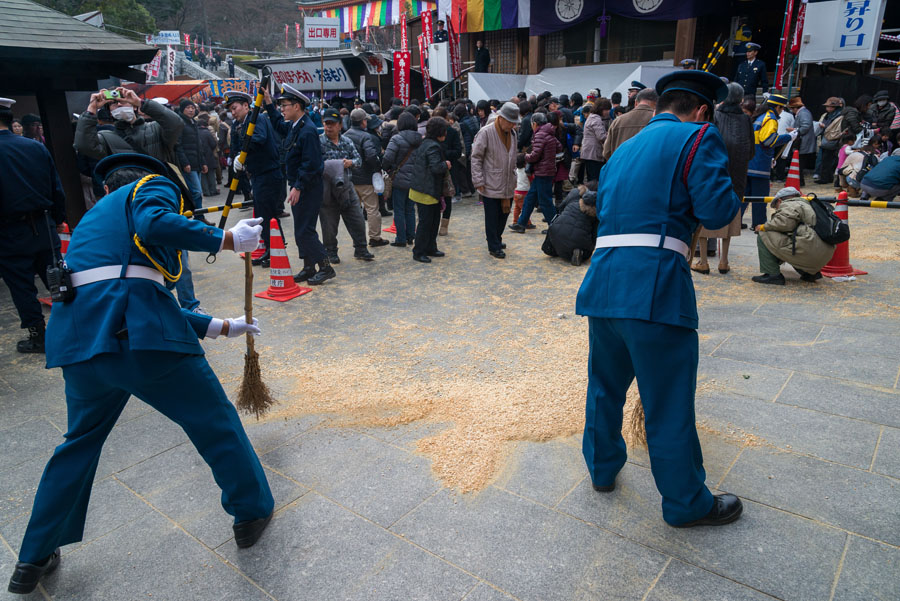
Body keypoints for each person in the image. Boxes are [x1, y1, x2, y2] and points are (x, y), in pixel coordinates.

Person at [5, 154, 274, 595]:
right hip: (138, 339)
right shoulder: (150, 186)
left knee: (77, 445)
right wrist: (226, 238)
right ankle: (251, 511)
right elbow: (152, 231)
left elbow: (127, 284)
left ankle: (33, 555)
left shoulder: (96, 219)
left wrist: (223, 326)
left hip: (80, 344)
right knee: (214, 422)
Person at [575, 70, 743, 528]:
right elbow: (715, 212)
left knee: (604, 388)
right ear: (702, 110)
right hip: (655, 287)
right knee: (668, 399)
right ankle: (687, 503)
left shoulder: (623, 150)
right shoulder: (698, 137)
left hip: (605, 281)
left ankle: (603, 472)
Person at [0, 98, 65, 354]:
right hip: (43, 225)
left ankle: (38, 337)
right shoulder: (35, 148)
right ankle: (80, 325)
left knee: (21, 286)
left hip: (8, 231)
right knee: (58, 280)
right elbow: (55, 187)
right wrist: (58, 219)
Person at [265, 84, 333, 285]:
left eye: (285, 105)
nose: (282, 109)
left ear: (296, 106)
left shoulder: (308, 131)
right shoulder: (296, 126)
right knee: (301, 229)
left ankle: (325, 266)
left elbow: (311, 164)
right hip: (299, 185)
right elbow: (278, 124)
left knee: (305, 230)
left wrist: (298, 187)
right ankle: (309, 266)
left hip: (308, 188)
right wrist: (269, 102)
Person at [691, 82, 753, 275]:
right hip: (738, 175)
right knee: (732, 214)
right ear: (740, 100)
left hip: (713, 173)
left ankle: (702, 261)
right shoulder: (746, 120)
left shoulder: (715, 116)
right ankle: (724, 260)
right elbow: (751, 151)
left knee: (705, 214)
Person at [230, 90, 285, 269]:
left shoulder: (257, 119)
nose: (233, 112)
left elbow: (259, 139)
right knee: (264, 215)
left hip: (268, 174)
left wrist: (242, 155)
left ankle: (276, 249)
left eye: (235, 108)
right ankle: (270, 248)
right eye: (231, 110)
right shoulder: (244, 123)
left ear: (246, 106)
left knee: (268, 215)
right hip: (259, 175)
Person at [317, 107, 373, 263]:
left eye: (332, 124)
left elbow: (359, 161)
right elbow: (314, 164)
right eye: (326, 123)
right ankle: (331, 252)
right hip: (327, 189)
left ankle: (361, 249)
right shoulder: (318, 142)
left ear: (340, 125)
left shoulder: (347, 141)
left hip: (347, 188)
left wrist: (350, 163)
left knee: (357, 220)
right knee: (328, 224)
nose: (329, 127)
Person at [752, 187, 835, 285]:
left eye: (776, 206)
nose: (777, 209)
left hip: (809, 250)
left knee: (764, 234)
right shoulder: (809, 204)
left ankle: (772, 275)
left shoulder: (789, 204)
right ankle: (810, 273)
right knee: (794, 240)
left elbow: (785, 223)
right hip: (823, 254)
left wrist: (762, 227)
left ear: (779, 200)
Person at [470, 101, 519, 259]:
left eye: (514, 122)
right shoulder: (486, 132)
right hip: (490, 181)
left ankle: (496, 238)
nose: (512, 125)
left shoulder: (513, 134)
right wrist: (478, 180)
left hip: (507, 181)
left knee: (503, 214)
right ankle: (493, 245)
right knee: (492, 216)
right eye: (510, 122)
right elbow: (476, 158)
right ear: (501, 118)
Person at [509, 112, 561, 233]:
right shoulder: (549, 132)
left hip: (542, 171)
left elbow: (535, 156)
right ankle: (521, 224)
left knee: (545, 200)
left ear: (535, 124)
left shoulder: (540, 134)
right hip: (546, 170)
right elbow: (558, 147)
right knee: (530, 198)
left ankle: (553, 226)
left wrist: (524, 156)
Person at [747, 93, 792, 229]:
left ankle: (735, 223)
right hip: (760, 163)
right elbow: (768, 140)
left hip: (750, 162)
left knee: (745, 196)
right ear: (777, 107)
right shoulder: (770, 119)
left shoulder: (759, 116)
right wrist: (788, 137)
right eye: (782, 108)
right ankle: (759, 224)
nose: (782, 111)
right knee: (760, 197)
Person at [344, 108, 387, 247]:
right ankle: (375, 238)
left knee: (354, 212)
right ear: (363, 122)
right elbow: (370, 156)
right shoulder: (365, 136)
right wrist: (377, 168)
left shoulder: (344, 136)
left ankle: (358, 240)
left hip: (350, 179)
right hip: (366, 178)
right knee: (372, 209)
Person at [409, 117, 450, 263]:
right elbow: (436, 168)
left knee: (433, 221)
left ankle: (431, 247)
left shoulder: (425, 143)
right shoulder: (433, 146)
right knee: (426, 223)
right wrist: (446, 164)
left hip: (424, 189)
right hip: (426, 190)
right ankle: (419, 251)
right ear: (441, 132)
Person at [383, 111, 422, 247]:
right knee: (410, 209)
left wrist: (388, 168)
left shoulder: (396, 139)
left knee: (399, 209)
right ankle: (411, 236)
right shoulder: (420, 139)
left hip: (399, 178)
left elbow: (387, 158)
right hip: (415, 178)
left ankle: (401, 238)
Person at [545, 183, 599, 266]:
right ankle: (580, 252)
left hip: (555, 232)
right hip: (578, 238)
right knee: (586, 253)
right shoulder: (594, 214)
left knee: (562, 245)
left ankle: (557, 248)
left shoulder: (573, 202)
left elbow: (560, 208)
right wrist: (591, 247)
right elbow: (595, 235)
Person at [602, 88, 658, 160]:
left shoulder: (618, 121)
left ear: (635, 103)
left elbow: (606, 152)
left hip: (620, 168)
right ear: (657, 104)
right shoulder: (658, 121)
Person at [175, 99, 209, 217]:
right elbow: (177, 145)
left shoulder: (193, 122)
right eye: (188, 107)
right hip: (188, 164)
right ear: (182, 109)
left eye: (193, 108)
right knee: (197, 192)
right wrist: (185, 163)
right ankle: (199, 217)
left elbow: (198, 145)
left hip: (197, 162)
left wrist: (203, 162)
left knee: (197, 192)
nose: (191, 110)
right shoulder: (180, 123)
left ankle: (199, 216)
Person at [432, 107, 462, 236]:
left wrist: (444, 154)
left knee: (448, 196)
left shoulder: (452, 132)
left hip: (449, 169)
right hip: (434, 170)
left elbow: (457, 151)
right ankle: (434, 224)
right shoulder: (431, 132)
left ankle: (444, 225)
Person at [814, 97, 844, 184]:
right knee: (825, 160)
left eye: (829, 107)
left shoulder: (838, 116)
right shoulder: (828, 115)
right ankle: (826, 177)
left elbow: (835, 129)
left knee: (827, 160)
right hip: (826, 138)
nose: (828, 108)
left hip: (831, 139)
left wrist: (825, 127)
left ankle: (825, 178)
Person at [788, 97, 815, 186]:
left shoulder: (804, 114)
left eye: (792, 108)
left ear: (795, 108)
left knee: (799, 163)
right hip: (802, 142)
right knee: (798, 163)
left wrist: (795, 130)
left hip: (803, 142)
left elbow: (805, 126)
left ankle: (799, 182)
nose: (792, 111)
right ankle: (799, 181)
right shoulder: (803, 113)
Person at [580, 99, 608, 182]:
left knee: (591, 177)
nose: (608, 112)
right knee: (594, 179)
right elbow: (601, 137)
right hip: (593, 153)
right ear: (601, 109)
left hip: (589, 152)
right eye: (606, 109)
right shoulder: (596, 119)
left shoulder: (592, 117)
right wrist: (609, 134)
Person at [512, 153, 533, 229]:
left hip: (516, 192)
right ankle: (527, 223)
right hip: (524, 193)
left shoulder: (516, 170)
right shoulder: (526, 171)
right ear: (525, 163)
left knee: (517, 208)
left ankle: (515, 221)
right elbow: (531, 179)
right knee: (525, 209)